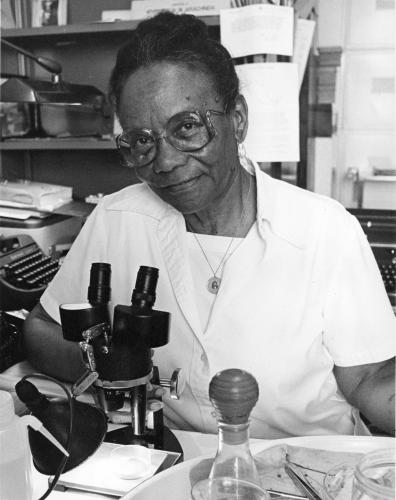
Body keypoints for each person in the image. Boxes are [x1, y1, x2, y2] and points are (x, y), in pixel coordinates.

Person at [23, 12, 395, 438]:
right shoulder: (116, 219)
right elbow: (41, 329)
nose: (165, 162)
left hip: (303, 470)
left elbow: (369, 379)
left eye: (187, 127)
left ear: (237, 119)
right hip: (171, 464)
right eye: (142, 140)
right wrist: (104, 362)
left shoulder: (326, 230)